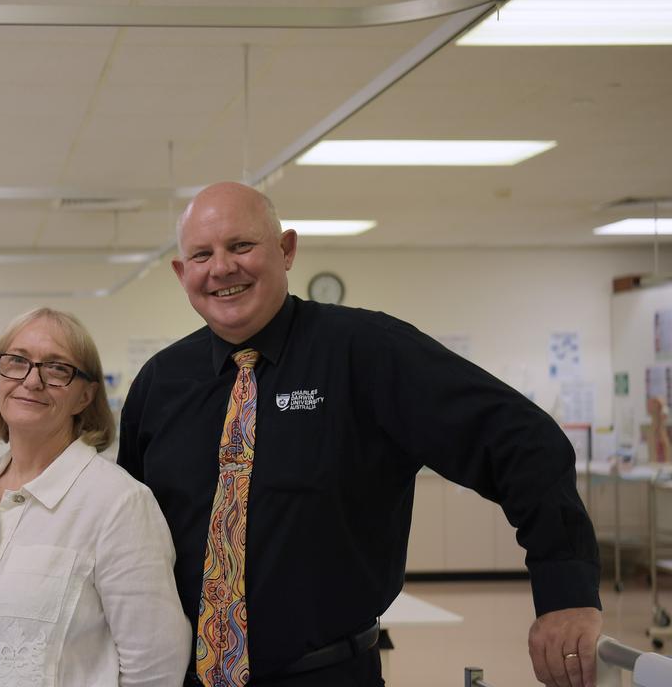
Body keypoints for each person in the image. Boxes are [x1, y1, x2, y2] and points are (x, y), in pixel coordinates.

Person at [118, 182, 602, 687]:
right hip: (182, 677)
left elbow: (522, 442)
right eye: (202, 254)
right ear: (181, 272)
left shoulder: (366, 352)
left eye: (241, 246)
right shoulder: (160, 384)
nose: (222, 268)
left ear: (286, 251)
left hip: (327, 674)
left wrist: (565, 590)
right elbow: (126, 537)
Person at [0, 308, 190, 686]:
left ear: (85, 395)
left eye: (56, 369)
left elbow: (157, 666)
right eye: (17, 361)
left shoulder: (118, 502)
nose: (31, 381)